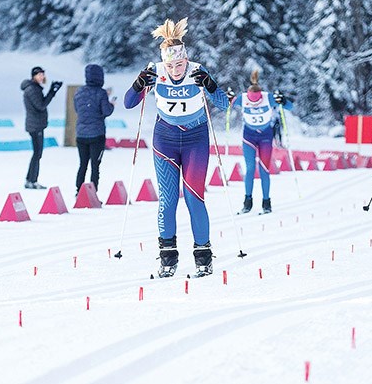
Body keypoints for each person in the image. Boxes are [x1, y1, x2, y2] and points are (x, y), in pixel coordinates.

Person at [124, 18, 229, 278]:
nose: (175, 70)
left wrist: (210, 84)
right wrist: (139, 84)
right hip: (165, 140)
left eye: (179, 64)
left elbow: (224, 105)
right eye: (170, 65)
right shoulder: (155, 70)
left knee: (194, 197)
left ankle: (203, 256)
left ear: (186, 60)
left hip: (195, 139)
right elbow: (128, 103)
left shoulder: (197, 70)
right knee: (168, 200)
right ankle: (167, 258)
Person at [227, 70, 293, 215]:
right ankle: (247, 202)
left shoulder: (268, 97)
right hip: (249, 137)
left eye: (256, 100)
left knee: (264, 169)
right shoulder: (242, 98)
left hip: (265, 137)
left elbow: (289, 107)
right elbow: (225, 104)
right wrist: (228, 98)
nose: (254, 102)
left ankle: (266, 202)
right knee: (250, 169)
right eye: (252, 101)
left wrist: (283, 100)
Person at [74, 64, 115, 196]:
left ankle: (78, 191)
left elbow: (78, 109)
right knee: (95, 165)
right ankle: (93, 192)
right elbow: (106, 111)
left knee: (83, 164)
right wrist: (111, 104)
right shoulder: (101, 93)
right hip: (97, 134)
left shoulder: (79, 92)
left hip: (80, 135)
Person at [21, 66, 62, 189]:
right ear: (33, 76)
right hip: (35, 125)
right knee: (37, 153)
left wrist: (52, 92)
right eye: (39, 75)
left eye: (42, 74)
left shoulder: (34, 88)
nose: (41, 77)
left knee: (37, 153)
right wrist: (52, 92)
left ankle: (30, 179)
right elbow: (41, 105)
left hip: (36, 124)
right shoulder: (32, 89)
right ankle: (32, 180)